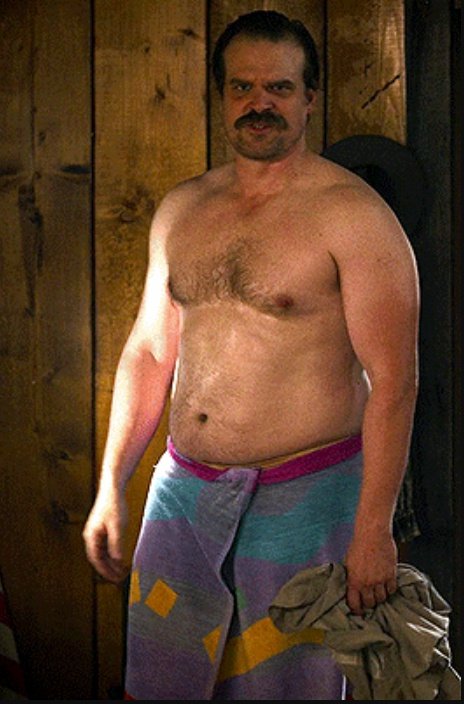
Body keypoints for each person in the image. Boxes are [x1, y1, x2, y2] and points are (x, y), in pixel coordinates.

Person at [83, 10, 420, 701]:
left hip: (309, 496)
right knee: (165, 685)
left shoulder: (354, 215)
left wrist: (374, 530)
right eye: (242, 87)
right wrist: (112, 484)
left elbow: (394, 381)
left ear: (309, 98)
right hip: (182, 495)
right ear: (222, 96)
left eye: (278, 88)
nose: (258, 104)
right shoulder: (182, 209)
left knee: (294, 688)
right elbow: (149, 351)